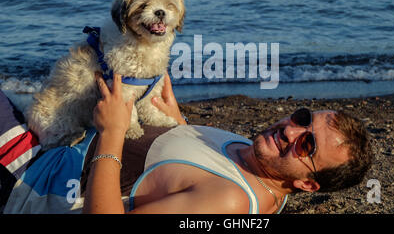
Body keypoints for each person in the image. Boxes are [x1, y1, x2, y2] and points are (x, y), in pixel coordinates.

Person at [82, 73, 373, 214]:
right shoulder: (264, 164)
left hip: (44, 180)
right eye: (301, 118)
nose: (290, 131)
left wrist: (112, 133)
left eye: (307, 145)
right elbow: (196, 176)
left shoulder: (231, 200)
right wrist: (180, 126)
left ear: (308, 184)